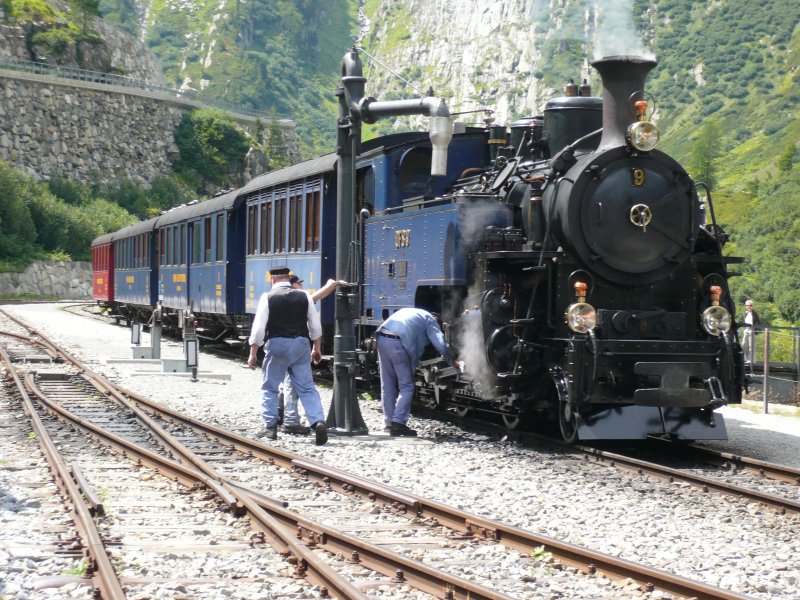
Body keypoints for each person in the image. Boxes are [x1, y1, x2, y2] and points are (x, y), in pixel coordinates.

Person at [247, 266, 327, 445]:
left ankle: (271, 428)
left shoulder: (267, 297)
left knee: (271, 387)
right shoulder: (305, 295)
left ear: (272, 279)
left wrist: (253, 353)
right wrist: (317, 348)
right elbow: (315, 325)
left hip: (278, 344)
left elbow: (259, 328)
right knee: (307, 387)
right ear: (288, 278)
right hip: (300, 344)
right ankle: (318, 421)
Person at [376, 307, 458, 437]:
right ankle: (398, 423)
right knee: (407, 386)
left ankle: (389, 423)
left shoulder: (414, 312)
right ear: (437, 318)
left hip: (381, 338)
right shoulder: (430, 319)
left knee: (387, 384)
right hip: (397, 342)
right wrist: (452, 360)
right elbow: (440, 343)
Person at [280, 276, 343, 434]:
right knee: (295, 385)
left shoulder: (274, 297)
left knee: (281, 384)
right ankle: (295, 420)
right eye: (299, 283)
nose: (302, 285)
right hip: (297, 345)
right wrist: (330, 285)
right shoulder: (299, 299)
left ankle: (282, 417)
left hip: (278, 344)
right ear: (292, 285)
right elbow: (314, 302)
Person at [741, 299, 761, 364]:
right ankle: (745, 359)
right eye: (747, 305)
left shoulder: (754, 313)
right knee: (744, 345)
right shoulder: (745, 313)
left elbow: (758, 322)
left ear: (752, 306)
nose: (748, 306)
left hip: (752, 330)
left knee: (751, 346)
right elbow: (744, 322)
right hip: (746, 329)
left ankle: (751, 361)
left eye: (750, 305)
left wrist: (756, 331)